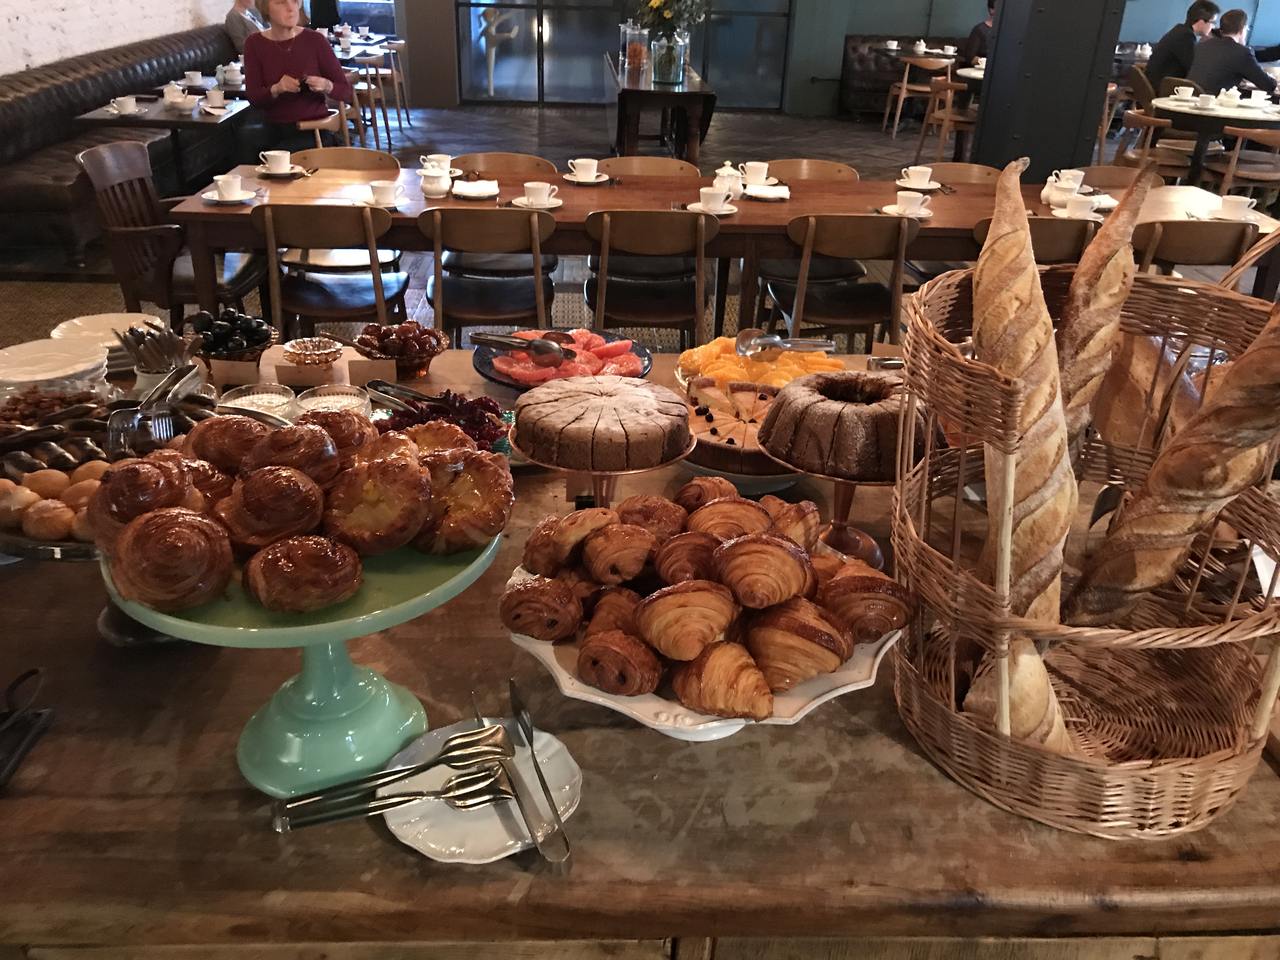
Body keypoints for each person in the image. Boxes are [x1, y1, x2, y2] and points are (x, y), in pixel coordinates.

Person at [243, 0, 353, 148]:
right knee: (243, 143)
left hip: (313, 129)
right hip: (273, 128)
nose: (291, 8)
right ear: (265, 9)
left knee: (280, 155)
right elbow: (254, 97)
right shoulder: (254, 43)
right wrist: (276, 89)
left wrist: (326, 85)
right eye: (281, 3)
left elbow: (345, 92)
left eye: (295, 1)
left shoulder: (315, 40)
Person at [1189, 8, 1277, 94]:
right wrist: (1272, 78)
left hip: (1190, 98)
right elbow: (1268, 85)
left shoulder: (1202, 46)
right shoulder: (1242, 52)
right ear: (1242, 29)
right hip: (1215, 103)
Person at [1146, 0, 1220, 90]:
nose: (1214, 27)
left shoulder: (1179, 30)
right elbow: (1194, 68)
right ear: (1201, 22)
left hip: (1155, 85)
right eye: (1213, 22)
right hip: (1163, 89)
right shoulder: (1185, 37)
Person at [963, 0, 996, 65]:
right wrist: (985, 62)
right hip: (982, 71)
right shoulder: (979, 30)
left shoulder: (1008, 31)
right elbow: (970, 57)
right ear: (991, 10)